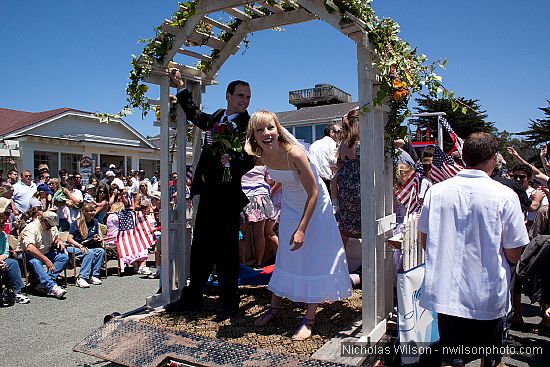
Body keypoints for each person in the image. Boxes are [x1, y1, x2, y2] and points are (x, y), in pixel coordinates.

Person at [418, 132, 529, 367]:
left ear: (464, 156)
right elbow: (513, 252)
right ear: (492, 158)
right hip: (486, 294)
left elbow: (425, 241)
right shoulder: (505, 196)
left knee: (451, 358)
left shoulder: (436, 192)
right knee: (490, 359)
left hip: (448, 292)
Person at [246, 110, 351, 341]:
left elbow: (313, 191)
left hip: (315, 205)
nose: (266, 133)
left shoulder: (294, 152)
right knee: (286, 254)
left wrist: (302, 228)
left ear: (278, 128)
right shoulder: (261, 153)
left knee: (312, 257)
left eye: (270, 127)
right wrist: (269, 204)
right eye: (260, 129)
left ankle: (309, 319)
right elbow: (280, 181)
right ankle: (274, 308)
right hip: (292, 205)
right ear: (253, 134)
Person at [165, 69, 255, 315]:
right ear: (228, 95)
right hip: (208, 194)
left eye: (247, 97)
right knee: (201, 246)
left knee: (226, 249)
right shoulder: (216, 116)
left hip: (228, 196)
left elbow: (250, 160)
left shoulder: (248, 125)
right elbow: (195, 115)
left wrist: (231, 160)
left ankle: (229, 302)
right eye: (240, 95)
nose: (244, 101)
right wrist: (181, 87)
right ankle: (192, 297)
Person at [21, 211, 69, 298]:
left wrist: (59, 240)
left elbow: (56, 236)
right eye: (49, 225)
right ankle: (52, 287)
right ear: (42, 220)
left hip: (46, 252)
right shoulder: (31, 228)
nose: (50, 228)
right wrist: (46, 260)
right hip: (30, 254)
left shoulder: (51, 227)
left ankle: (45, 283)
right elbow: (29, 248)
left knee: (63, 257)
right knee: (35, 261)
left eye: (52, 226)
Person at [333, 108, 361, 246]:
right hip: (358, 188)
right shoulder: (361, 142)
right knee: (366, 228)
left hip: (344, 189)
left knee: (344, 230)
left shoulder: (342, 143)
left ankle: (342, 263)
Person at [240, 164, 277, 267]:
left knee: (241, 233)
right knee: (259, 233)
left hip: (243, 195)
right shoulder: (263, 160)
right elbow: (270, 181)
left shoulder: (240, 160)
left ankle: (242, 264)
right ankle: (259, 264)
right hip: (261, 195)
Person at [65, 203, 105, 288]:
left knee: (100, 251)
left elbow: (97, 235)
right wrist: (79, 246)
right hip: (75, 247)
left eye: (93, 210)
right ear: (84, 212)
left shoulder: (95, 222)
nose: (93, 213)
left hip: (89, 245)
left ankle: (94, 275)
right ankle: (82, 278)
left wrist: (97, 238)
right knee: (89, 252)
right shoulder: (76, 223)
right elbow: (69, 239)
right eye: (90, 211)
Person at [0, 198, 30, 304]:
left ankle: (17, 292)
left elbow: (5, 252)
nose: (2, 227)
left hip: (1, 259)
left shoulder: (3, 235)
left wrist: (1, 260)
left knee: (12, 263)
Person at [308, 123, 340, 194]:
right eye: (339, 131)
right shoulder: (334, 145)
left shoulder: (313, 145)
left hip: (316, 183)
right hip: (330, 183)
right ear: (332, 132)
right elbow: (336, 164)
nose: (340, 134)